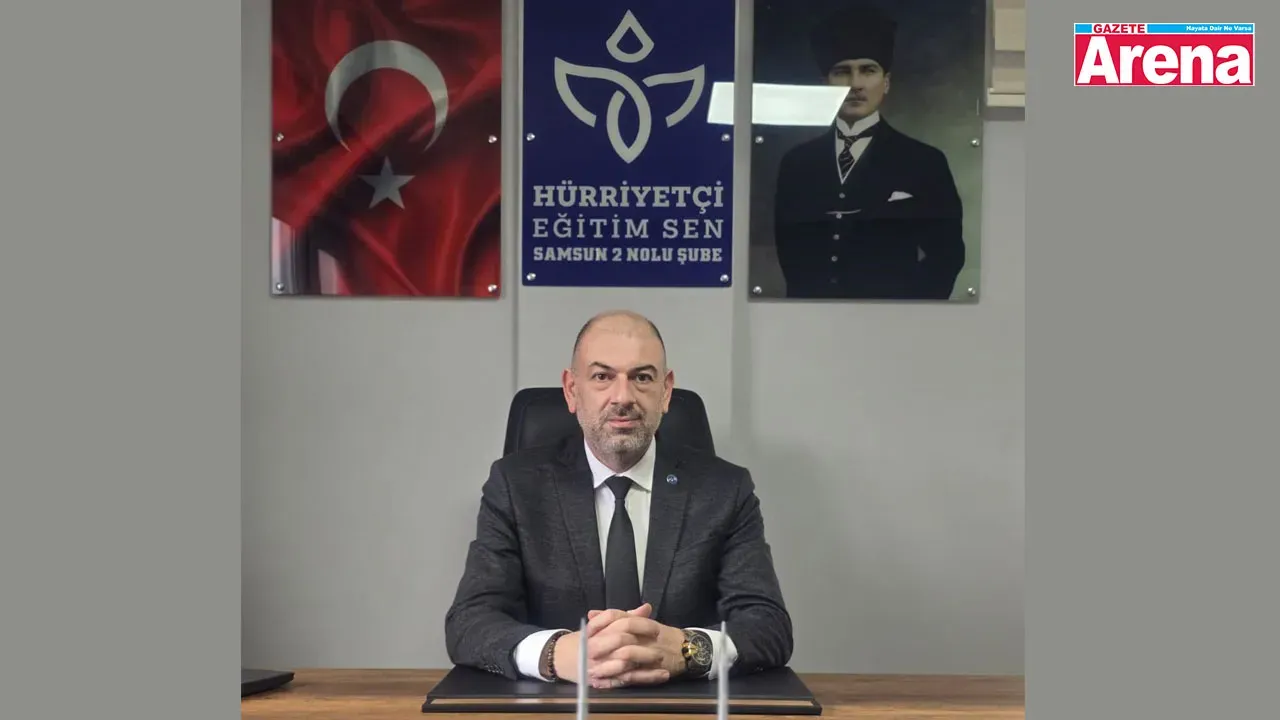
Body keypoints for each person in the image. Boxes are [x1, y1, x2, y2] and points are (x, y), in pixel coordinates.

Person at [445, 310, 793, 688]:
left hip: (682, 706)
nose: (623, 397)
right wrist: (555, 653)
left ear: (666, 391)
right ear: (571, 390)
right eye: (602, 377)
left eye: (642, 377)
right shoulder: (516, 485)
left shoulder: (725, 489)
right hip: (557, 705)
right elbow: (469, 621)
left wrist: (688, 649)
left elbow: (768, 625)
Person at [772, 3, 965, 300]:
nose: (855, 84)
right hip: (812, 319)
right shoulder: (797, 163)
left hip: (894, 319)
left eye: (868, 70)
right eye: (842, 72)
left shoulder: (925, 162)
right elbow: (790, 253)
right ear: (825, 84)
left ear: (886, 82)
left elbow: (947, 256)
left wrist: (908, 312)